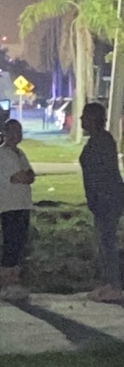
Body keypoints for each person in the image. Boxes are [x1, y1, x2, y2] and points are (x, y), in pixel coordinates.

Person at [80, 102, 124, 302]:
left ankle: (115, 285)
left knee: (107, 242)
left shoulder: (103, 141)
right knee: (102, 242)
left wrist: (101, 196)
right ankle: (109, 282)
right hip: (101, 200)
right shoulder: (97, 140)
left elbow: (105, 173)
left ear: (93, 119)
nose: (81, 120)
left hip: (108, 199)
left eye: (84, 116)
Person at [0, 119, 35, 300]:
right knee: (11, 244)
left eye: (20, 131)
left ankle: (15, 280)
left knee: (19, 244)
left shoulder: (20, 153)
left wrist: (26, 176)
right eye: (14, 131)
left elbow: (30, 175)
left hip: (23, 204)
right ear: (6, 133)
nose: (18, 134)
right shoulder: (3, 155)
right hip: (9, 206)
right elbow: (20, 176)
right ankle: (6, 283)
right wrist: (25, 176)